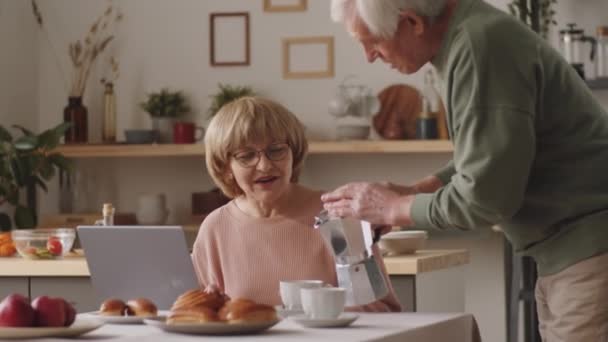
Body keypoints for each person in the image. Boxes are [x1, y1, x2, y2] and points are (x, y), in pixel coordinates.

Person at [325, 0, 608, 340]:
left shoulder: (477, 46)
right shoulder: (470, 36)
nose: (369, 56)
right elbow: (490, 156)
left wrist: (393, 207)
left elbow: (485, 199)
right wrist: (414, 193)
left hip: (589, 253)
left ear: (412, 22)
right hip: (574, 254)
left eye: (371, 41)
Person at [191, 96, 401, 312]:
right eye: (246, 156)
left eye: (276, 150)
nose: (264, 166)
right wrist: (213, 308)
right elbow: (196, 314)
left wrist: (316, 314)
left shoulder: (339, 216)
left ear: (294, 152)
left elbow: (382, 309)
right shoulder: (215, 228)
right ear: (226, 167)